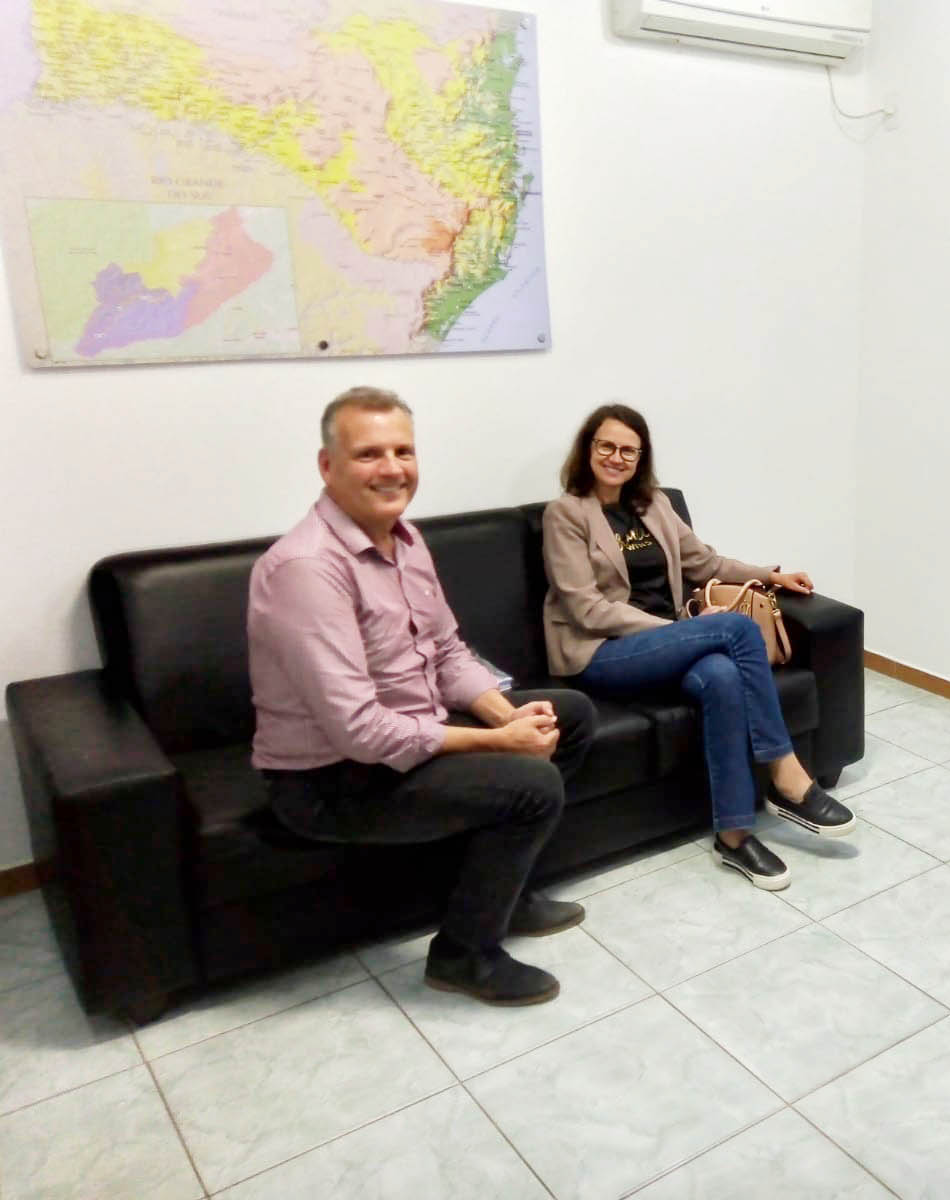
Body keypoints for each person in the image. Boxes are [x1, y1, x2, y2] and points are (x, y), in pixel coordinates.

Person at [249, 386, 597, 1007]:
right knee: (534, 785)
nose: (391, 469)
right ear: (328, 466)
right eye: (368, 454)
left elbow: (447, 653)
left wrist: (509, 715)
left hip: (405, 740)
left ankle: (505, 895)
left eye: (403, 451)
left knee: (568, 716)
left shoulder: (406, 540)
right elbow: (360, 731)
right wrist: (501, 742)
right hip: (332, 780)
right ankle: (464, 955)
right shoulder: (306, 568)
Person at [541, 404, 855, 890]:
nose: (616, 457)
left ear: (640, 458)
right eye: (606, 446)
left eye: (628, 450)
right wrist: (677, 630)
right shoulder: (566, 514)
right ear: (588, 449)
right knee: (736, 629)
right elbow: (587, 609)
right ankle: (787, 774)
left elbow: (706, 563)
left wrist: (770, 575)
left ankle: (733, 836)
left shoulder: (654, 505)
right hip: (599, 652)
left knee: (723, 676)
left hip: (664, 641)